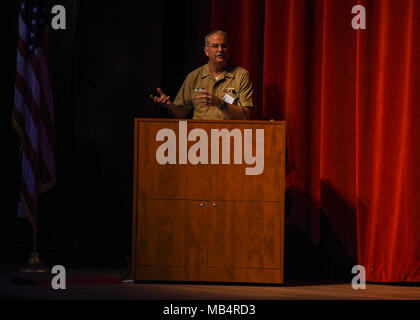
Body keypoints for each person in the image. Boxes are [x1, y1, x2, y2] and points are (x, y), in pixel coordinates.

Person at [150, 30, 254, 120]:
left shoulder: (241, 75)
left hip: (229, 135)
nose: (220, 50)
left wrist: (220, 103)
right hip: (200, 136)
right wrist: (170, 106)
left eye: (224, 46)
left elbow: (245, 114)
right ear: (206, 51)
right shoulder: (194, 76)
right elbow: (181, 114)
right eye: (215, 46)